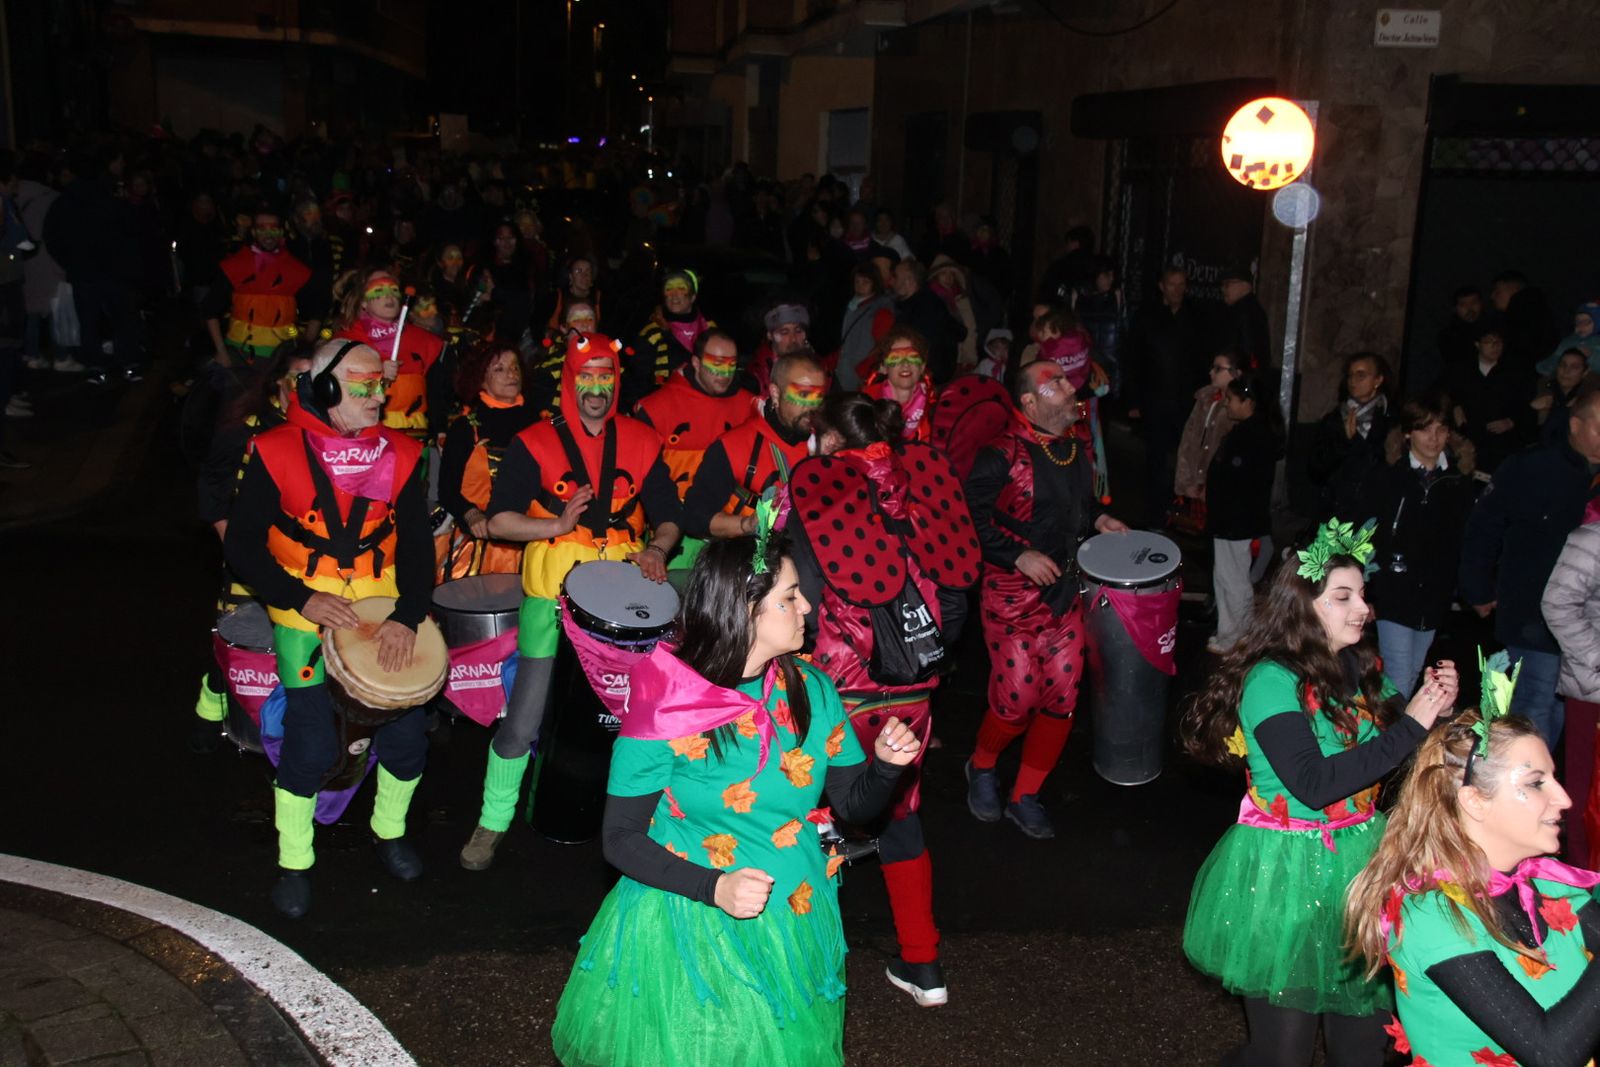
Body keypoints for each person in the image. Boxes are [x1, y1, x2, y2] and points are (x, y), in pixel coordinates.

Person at [548, 534, 921, 1066]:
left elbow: (854, 807)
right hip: (691, 921)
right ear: (746, 608)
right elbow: (619, 837)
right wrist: (714, 886)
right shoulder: (665, 705)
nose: (807, 607)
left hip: (794, 907)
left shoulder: (812, 688)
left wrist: (886, 768)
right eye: (789, 597)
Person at [1181, 520, 1459, 1067]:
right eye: (1343, 596)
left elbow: (1396, 734)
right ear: (1305, 605)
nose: (1363, 607)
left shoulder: (1356, 667)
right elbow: (1312, 785)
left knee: (1363, 1049)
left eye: (1362, 594)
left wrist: (1436, 704)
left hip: (1361, 866)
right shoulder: (1269, 680)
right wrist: (1413, 725)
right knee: (1280, 1056)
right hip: (1284, 872)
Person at [223, 339, 435, 918]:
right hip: (301, 609)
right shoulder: (273, 450)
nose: (378, 395)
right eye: (363, 386)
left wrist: (407, 616)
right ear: (325, 389)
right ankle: (295, 862)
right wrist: (300, 598)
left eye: (380, 385)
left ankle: (389, 832)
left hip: (381, 606)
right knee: (311, 744)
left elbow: (418, 549)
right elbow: (241, 546)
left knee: (407, 740)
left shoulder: (402, 453)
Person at [459, 332, 685, 871]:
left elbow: (671, 513)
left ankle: (644, 822)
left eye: (606, 377)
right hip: (552, 593)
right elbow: (497, 520)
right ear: (569, 381)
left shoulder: (641, 438)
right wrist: (556, 524)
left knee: (640, 718)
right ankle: (492, 822)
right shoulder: (533, 441)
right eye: (587, 376)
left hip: (626, 598)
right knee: (525, 716)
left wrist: (656, 547)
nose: (597, 388)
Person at [787, 393, 979, 1008]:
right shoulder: (922, 483)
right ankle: (924, 966)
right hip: (915, 689)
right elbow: (954, 598)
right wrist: (918, 657)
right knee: (899, 811)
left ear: (825, 438)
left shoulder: (820, 496)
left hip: (841, 686)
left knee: (808, 813)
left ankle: (806, 963)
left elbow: (804, 600)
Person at [1347, 695, 1600, 1067]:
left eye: (1554, 779)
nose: (1563, 799)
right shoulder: (1431, 914)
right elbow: (1551, 1054)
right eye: (1536, 783)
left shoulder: (1551, 886)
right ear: (1475, 801)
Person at [963, 361, 1131, 839]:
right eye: (1053, 382)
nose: (1068, 385)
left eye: (1065, 378)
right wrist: (1017, 555)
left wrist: (1100, 522)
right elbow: (968, 522)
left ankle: (1026, 795)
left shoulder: (1074, 448)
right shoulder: (998, 455)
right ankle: (982, 765)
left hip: (1061, 594)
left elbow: (1079, 510)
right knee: (1016, 699)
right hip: (1010, 597)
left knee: (1062, 693)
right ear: (1030, 404)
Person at [1460, 389, 1600, 749]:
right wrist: (1477, 587)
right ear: (1575, 424)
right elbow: (1485, 524)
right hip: (1533, 611)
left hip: (1589, 623)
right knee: (1536, 704)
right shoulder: (1534, 466)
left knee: (1570, 715)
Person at [1357, 397, 1479, 699]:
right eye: (1425, 430)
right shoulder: (1390, 477)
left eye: (1441, 429)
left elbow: (1463, 539)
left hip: (1433, 593)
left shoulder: (1457, 481)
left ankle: (1387, 730)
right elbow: (1369, 535)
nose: (1434, 438)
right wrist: (1368, 590)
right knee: (1398, 671)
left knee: (1411, 671)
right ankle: (1390, 738)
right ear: (1409, 433)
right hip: (1394, 587)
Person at [633, 328, 757, 570]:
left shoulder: (751, 408)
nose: (724, 374)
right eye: (716, 365)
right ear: (696, 363)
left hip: (734, 535)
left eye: (731, 365)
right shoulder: (657, 408)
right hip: (675, 536)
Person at [682, 351, 825, 541]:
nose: (812, 407)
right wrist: (747, 524)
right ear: (775, 393)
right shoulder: (734, 446)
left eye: (818, 397)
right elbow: (695, 517)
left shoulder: (828, 445)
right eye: (803, 394)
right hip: (746, 557)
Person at [437, 343, 537, 579]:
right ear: (481, 379)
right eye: (499, 369)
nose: (511, 374)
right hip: (479, 543)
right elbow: (447, 490)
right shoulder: (466, 427)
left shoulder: (541, 424)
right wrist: (471, 515)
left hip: (533, 538)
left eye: (514, 368)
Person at [1125, 267, 1209, 527]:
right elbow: (1133, 358)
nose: (1177, 290)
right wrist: (1133, 401)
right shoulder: (1146, 317)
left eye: (1182, 284)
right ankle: (1154, 515)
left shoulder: (1196, 316)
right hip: (1156, 399)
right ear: (1162, 286)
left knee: (1186, 458)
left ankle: (1182, 513)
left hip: (1186, 400)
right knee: (1156, 460)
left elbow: (1202, 358)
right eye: (1172, 284)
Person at [1205, 372, 1282, 653]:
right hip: (1230, 520)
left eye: (1231, 399)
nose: (1227, 404)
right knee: (1225, 576)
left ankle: (1239, 637)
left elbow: (1241, 483)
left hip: (1234, 521)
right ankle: (1228, 633)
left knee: (1234, 579)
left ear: (1247, 402)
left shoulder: (1252, 435)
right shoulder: (1253, 432)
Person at [1541, 503, 1600, 869]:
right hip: (1593, 691)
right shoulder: (1592, 539)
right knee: (1587, 798)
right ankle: (1584, 884)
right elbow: (1557, 603)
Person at [335, 270, 445, 441]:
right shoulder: (346, 343)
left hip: (414, 434)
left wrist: (440, 431)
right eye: (378, 290)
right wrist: (377, 377)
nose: (389, 296)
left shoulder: (424, 342)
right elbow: (339, 394)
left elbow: (437, 393)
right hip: (364, 434)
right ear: (363, 301)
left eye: (393, 290)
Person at [203, 206, 311, 371]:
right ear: (253, 233)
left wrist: (302, 349)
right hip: (240, 354)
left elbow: (314, 312)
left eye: (273, 229)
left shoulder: (296, 269)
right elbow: (210, 308)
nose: (268, 234)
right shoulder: (235, 265)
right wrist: (221, 351)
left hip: (282, 354)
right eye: (262, 229)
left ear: (281, 232)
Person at [1308, 352, 1396, 523]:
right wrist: (1343, 443)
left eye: (1361, 375)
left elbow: (1387, 466)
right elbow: (1316, 469)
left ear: (1378, 380)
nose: (1353, 381)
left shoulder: (1391, 420)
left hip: (1373, 514)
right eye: (1350, 375)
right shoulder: (1334, 419)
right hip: (1337, 512)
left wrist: (1356, 442)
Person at [1173, 351, 1245, 531]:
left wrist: (1212, 486)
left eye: (1218, 369)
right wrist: (1186, 481)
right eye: (1213, 367)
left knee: (1221, 536)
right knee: (1201, 534)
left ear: (1237, 373)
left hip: (1220, 487)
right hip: (1197, 482)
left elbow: (1234, 454)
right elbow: (1188, 440)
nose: (1211, 372)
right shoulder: (1205, 398)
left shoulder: (1240, 408)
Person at [1445, 328, 1532, 475]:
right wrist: (1455, 407)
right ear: (1477, 344)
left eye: (1498, 342)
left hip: (1502, 444)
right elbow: (1446, 394)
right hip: (1470, 440)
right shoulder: (1462, 370)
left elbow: (1527, 405)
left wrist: (1511, 421)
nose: (1495, 346)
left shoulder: (1516, 372)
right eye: (1489, 342)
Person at [625, 268, 715, 408]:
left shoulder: (710, 331)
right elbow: (637, 380)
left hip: (704, 405)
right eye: (669, 289)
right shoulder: (652, 333)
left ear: (693, 296)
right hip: (665, 407)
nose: (674, 295)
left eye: (681, 288)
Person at [892, 259, 965, 386]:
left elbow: (922, 345)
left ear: (908, 281)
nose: (892, 281)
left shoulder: (927, 307)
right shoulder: (911, 305)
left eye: (896, 276)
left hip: (925, 379)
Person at [863, 327, 936, 442]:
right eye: (895, 358)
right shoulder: (866, 404)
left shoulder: (935, 406)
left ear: (922, 367)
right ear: (883, 367)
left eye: (912, 357)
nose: (905, 364)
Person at [835, 261, 895, 392]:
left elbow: (883, 346)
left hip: (861, 376)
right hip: (845, 371)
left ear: (874, 283)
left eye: (865, 282)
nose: (860, 286)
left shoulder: (880, 311)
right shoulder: (852, 305)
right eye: (857, 281)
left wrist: (864, 371)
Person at [1531, 348, 1600, 446]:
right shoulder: (1545, 388)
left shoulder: (1590, 396)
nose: (1566, 371)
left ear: (1585, 372)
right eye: (1563, 365)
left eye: (1574, 367)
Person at [747, 300, 811, 395]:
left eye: (798, 331)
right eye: (784, 332)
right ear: (770, 335)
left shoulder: (820, 370)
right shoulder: (755, 376)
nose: (793, 339)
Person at [1535, 302, 1600, 377]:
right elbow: (1554, 358)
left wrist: (1591, 356)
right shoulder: (1568, 341)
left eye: (1586, 322)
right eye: (1577, 321)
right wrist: (1546, 368)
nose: (1580, 325)